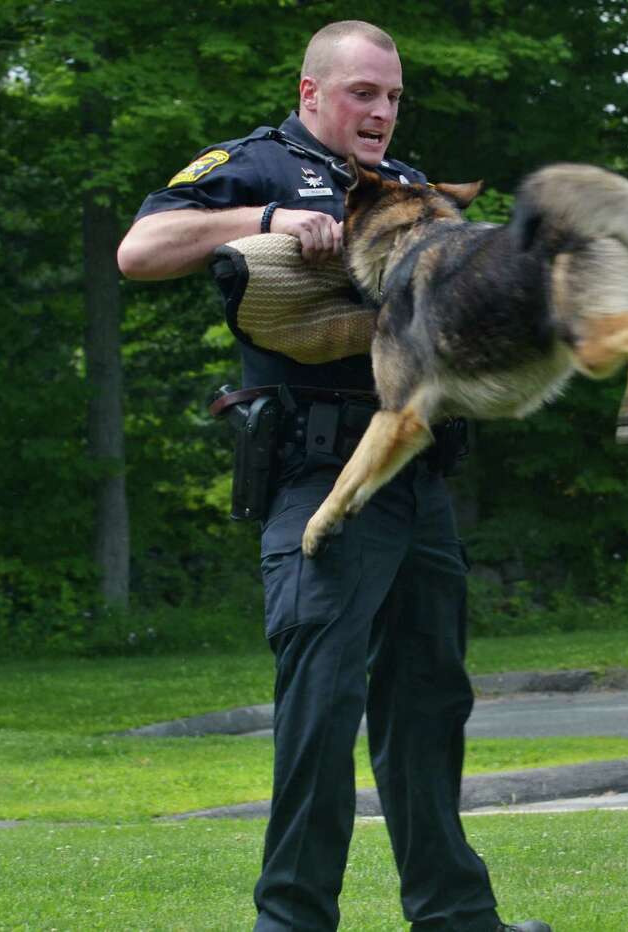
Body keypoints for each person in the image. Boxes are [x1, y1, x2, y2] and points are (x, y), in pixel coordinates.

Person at [118, 21, 551, 932]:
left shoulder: (410, 187)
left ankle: (454, 917)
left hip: (415, 472)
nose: (382, 112)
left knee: (430, 701)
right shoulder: (257, 165)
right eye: (364, 93)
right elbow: (141, 251)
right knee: (321, 702)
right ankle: (293, 920)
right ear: (313, 92)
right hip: (317, 475)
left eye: (392, 96)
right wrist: (269, 221)